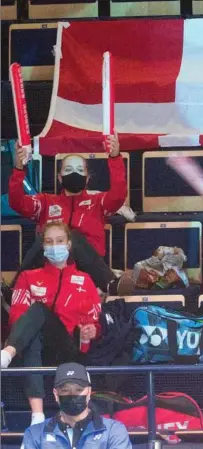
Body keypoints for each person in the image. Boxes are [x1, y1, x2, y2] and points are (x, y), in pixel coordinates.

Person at [1, 222, 102, 426]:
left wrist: (90, 332)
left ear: (69, 244)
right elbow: (17, 317)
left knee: (39, 310)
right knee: (34, 329)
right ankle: (37, 416)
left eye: (59, 241)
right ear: (43, 246)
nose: (54, 246)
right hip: (34, 348)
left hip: (68, 349)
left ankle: (6, 354)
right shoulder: (28, 277)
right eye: (49, 241)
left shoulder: (85, 280)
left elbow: (94, 321)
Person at [9, 135, 133, 296]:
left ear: (87, 178)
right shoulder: (46, 202)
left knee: (72, 236)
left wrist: (115, 157)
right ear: (60, 178)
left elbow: (117, 195)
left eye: (80, 170)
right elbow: (17, 202)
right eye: (68, 170)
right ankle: (13, 291)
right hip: (51, 266)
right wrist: (19, 169)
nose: (74, 173)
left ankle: (109, 284)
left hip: (87, 269)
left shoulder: (98, 202)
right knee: (47, 236)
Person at [21, 362, 132, 448]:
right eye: (65, 390)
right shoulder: (35, 434)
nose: (72, 395)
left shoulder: (114, 430)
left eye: (79, 390)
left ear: (89, 392)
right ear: (56, 394)